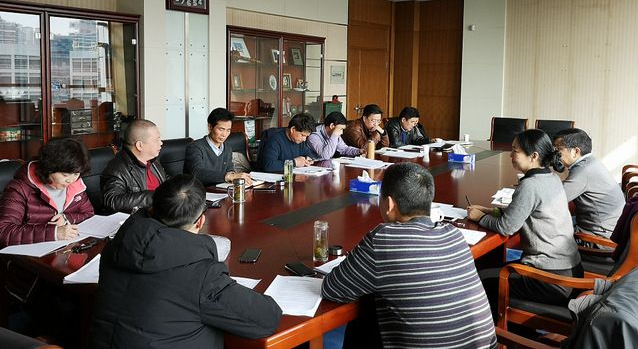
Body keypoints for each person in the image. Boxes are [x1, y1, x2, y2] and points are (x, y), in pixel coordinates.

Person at [91, 174, 282, 348]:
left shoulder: (117, 245)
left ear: (152, 207)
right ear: (200, 222)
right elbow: (267, 319)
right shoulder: (200, 274)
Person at [322, 162, 496, 348]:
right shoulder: (454, 234)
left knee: (363, 323)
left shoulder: (384, 239)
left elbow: (332, 288)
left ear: (389, 204)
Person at [467, 129, 582, 311]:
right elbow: (527, 210)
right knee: (493, 267)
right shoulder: (552, 177)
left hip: (551, 279)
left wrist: (480, 217)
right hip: (570, 270)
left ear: (534, 156)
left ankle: (495, 327)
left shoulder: (530, 185)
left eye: (515, 151)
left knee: (481, 278)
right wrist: (492, 211)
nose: (510, 155)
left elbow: (506, 227)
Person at [0, 138, 94, 247]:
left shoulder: (76, 185)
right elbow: (4, 231)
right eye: (65, 175)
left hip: (65, 248)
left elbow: (89, 214)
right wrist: (54, 233)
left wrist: (67, 218)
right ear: (49, 168)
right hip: (31, 253)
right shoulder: (20, 188)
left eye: (76, 174)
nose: (71, 180)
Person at [553, 128, 624, 240]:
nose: (555, 154)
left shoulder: (583, 170)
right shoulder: (590, 162)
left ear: (576, 151)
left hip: (600, 236)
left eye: (558, 149)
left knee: (546, 230)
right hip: (609, 228)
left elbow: (553, 199)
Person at [101, 119, 167, 214]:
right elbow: (112, 201)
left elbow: (165, 180)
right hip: (141, 217)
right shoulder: (116, 169)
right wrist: (154, 196)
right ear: (139, 145)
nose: (161, 143)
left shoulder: (152, 161)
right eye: (156, 140)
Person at [184, 108, 253, 186]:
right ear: (210, 127)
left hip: (220, 190)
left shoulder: (227, 148)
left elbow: (230, 170)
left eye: (228, 130)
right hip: (199, 191)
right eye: (221, 129)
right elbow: (197, 173)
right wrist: (228, 176)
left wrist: (235, 177)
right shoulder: (195, 147)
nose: (224, 134)